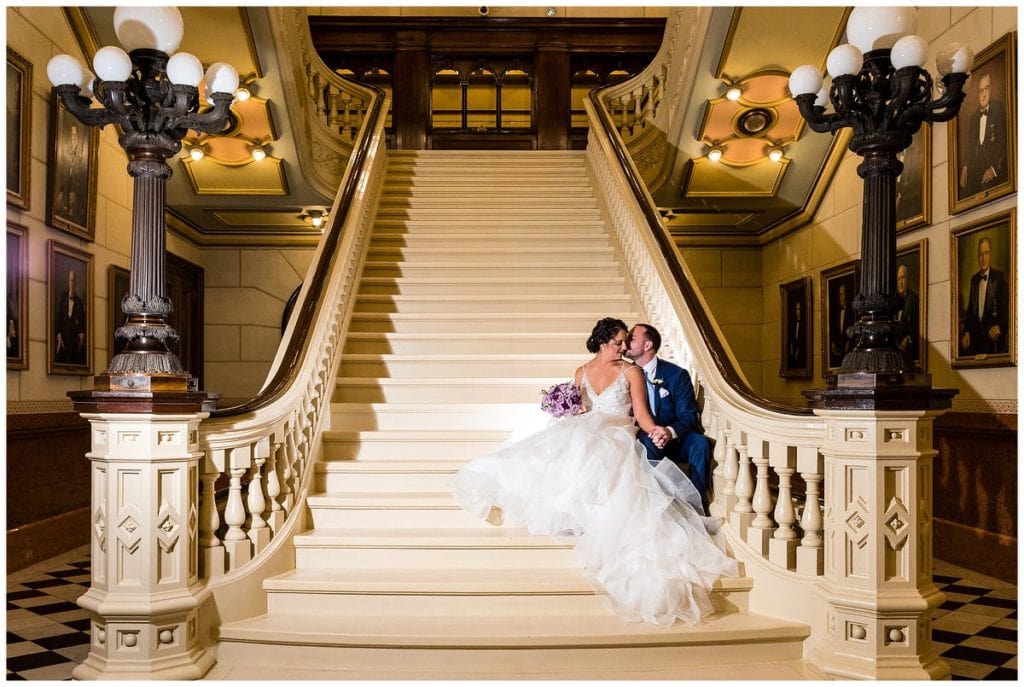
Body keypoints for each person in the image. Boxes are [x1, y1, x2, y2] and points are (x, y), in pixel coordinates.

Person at [451, 317, 738, 627]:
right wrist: (565, 410)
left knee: (605, 454)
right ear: (603, 343)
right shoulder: (581, 372)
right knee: (570, 449)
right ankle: (575, 506)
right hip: (588, 429)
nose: (625, 347)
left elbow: (641, 415)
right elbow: (577, 409)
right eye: (619, 342)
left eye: (627, 341)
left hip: (617, 433)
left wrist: (657, 431)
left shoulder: (631, 372)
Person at [625, 322, 712, 511]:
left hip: (676, 437)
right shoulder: (625, 374)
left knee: (700, 443)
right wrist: (654, 433)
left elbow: (688, 415)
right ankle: (660, 507)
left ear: (647, 345)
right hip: (646, 437)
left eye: (632, 338)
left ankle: (695, 506)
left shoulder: (676, 375)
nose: (626, 341)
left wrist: (668, 431)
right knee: (644, 443)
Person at [958, 72, 1007, 198]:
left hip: (994, 168)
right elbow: (970, 145)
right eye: (980, 90)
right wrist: (964, 167)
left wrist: (994, 169)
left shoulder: (999, 110)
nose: (984, 94)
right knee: (964, 194)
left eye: (986, 89)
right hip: (975, 169)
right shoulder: (975, 117)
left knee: (987, 192)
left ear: (991, 90)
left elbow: (1006, 143)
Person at [960, 236, 1009, 355]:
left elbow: (1005, 309)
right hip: (976, 333)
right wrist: (966, 331)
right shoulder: (974, 280)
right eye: (981, 254)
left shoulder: (998, 277)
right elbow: (971, 310)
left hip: (991, 333)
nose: (983, 258)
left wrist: (999, 326)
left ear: (990, 255)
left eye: (986, 253)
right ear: (977, 257)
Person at [55, 268, 86, 365]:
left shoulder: (79, 302)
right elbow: (58, 318)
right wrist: (58, 335)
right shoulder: (62, 297)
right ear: (68, 282)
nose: (72, 283)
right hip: (62, 337)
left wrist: (82, 334)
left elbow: (81, 322)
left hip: (73, 339)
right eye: (70, 280)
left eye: (73, 281)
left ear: (76, 283)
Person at [894, 264, 919, 359]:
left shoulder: (914, 298)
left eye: (903, 278)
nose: (900, 282)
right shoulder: (894, 301)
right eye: (899, 279)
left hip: (910, 351)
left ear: (907, 279)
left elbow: (917, 324)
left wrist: (909, 338)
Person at [829, 282, 854, 367]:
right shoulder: (836, 313)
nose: (842, 297)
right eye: (840, 295)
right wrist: (833, 344)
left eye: (844, 294)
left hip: (850, 354)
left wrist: (849, 344)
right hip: (838, 355)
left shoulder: (852, 312)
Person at [786, 300, 806, 370]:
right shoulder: (793, 324)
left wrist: (797, 351)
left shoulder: (804, 324)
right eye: (797, 309)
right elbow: (791, 339)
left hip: (801, 353)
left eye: (799, 309)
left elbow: (803, 340)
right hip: (793, 353)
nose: (798, 311)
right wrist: (792, 350)